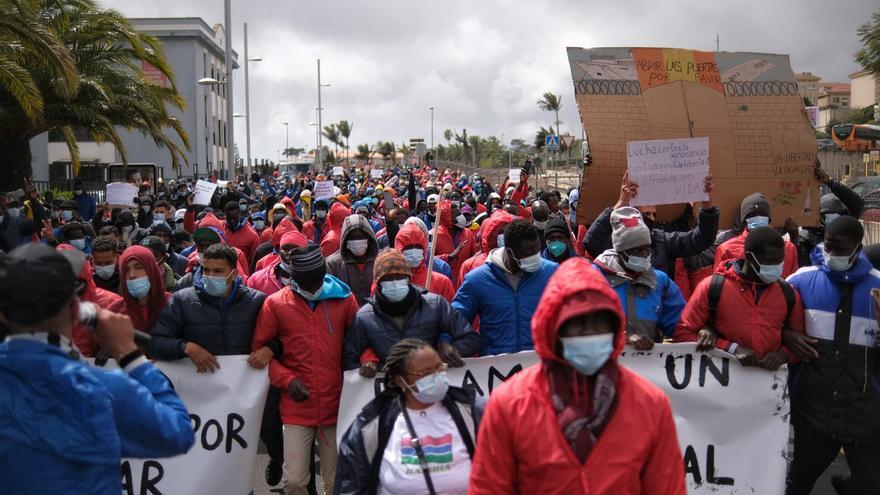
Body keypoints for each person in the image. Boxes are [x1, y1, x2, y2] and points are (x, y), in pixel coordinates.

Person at [468, 258, 685, 494]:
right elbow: (489, 487)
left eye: (600, 322)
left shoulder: (649, 404)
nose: (590, 333)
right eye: (577, 323)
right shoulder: (510, 405)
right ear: (553, 328)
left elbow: (666, 487)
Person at [0, 243, 194, 494]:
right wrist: (130, 355)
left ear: (3, 314)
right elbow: (178, 433)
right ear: (75, 309)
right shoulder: (106, 389)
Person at [252, 243, 359, 495]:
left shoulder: (344, 300)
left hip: (336, 405)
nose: (312, 288)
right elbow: (260, 355)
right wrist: (287, 380)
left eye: (316, 281)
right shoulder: (275, 305)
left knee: (336, 482)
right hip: (296, 408)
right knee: (295, 482)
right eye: (306, 282)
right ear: (295, 278)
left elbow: (358, 342)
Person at [785, 217, 880, 495]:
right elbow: (770, 320)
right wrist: (786, 336)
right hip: (814, 409)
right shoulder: (800, 281)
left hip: (864, 411)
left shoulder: (878, 288)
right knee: (797, 483)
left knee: (871, 485)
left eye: (840, 249)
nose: (832, 255)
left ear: (858, 248)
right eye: (828, 247)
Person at [335, 339, 485, 495]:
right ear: (401, 381)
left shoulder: (472, 411)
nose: (437, 376)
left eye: (439, 368)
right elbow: (350, 486)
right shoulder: (371, 426)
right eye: (426, 373)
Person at [674, 227, 806, 369]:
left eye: (780, 261)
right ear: (749, 257)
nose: (777, 267)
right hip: (721, 383)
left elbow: (800, 343)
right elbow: (682, 335)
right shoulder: (712, 287)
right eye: (771, 261)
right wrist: (729, 348)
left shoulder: (788, 293)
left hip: (770, 386)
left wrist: (783, 355)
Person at [343, 249, 480, 374]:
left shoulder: (435, 305)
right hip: (390, 393)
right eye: (389, 279)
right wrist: (371, 366)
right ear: (378, 283)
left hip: (431, 388)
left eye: (400, 277)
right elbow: (349, 359)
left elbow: (471, 339)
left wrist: (444, 352)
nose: (395, 283)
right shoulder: (364, 318)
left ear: (408, 278)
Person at [150, 243, 269, 370]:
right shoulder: (182, 301)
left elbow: (282, 338)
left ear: (234, 274)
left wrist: (270, 349)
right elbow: (156, 343)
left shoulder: (256, 301)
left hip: (244, 385)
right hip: (199, 384)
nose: (211, 276)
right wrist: (185, 348)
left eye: (218, 271)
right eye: (206, 270)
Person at [453, 219, 557, 355]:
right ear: (510, 252)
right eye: (528, 254)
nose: (534, 258)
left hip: (541, 365)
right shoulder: (477, 280)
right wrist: (446, 342)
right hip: (497, 369)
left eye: (536, 251)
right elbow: (455, 320)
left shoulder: (552, 273)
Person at [585, 172, 718, 277]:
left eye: (654, 214)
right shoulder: (616, 242)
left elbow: (702, 239)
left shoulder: (662, 241)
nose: (651, 219)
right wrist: (620, 204)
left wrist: (707, 205)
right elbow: (591, 242)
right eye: (647, 214)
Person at [592, 208, 685, 350]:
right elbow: (581, 327)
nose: (644, 255)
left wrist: (701, 333)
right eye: (636, 250)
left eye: (647, 249)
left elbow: (680, 327)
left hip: (647, 367)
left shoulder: (660, 282)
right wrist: (622, 339)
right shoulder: (595, 278)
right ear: (620, 252)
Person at [795, 162, 864, 267]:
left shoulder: (846, 228)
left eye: (834, 215)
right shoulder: (809, 233)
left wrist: (829, 182)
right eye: (825, 215)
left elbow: (857, 204)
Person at [714, 192, 798, 277]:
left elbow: (794, 282)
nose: (758, 217)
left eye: (762, 214)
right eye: (752, 215)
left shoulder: (788, 249)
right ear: (744, 220)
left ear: (768, 219)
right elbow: (718, 282)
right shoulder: (726, 249)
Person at [395, 222, 456, 302]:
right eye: (409, 247)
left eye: (418, 247)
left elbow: (450, 312)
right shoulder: (389, 284)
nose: (414, 251)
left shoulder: (442, 282)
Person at [326, 214, 379, 306]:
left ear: (369, 238)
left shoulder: (380, 261)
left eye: (361, 237)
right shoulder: (332, 264)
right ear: (345, 240)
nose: (357, 241)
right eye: (352, 238)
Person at [118, 245, 170, 334]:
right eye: (126, 270)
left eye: (139, 267)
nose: (132, 275)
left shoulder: (173, 305)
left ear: (151, 270)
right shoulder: (117, 312)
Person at [434, 200, 477, 287]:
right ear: (448, 219)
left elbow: (474, 256)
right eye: (457, 215)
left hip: (465, 282)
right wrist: (448, 257)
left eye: (460, 213)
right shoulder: (433, 235)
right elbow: (428, 260)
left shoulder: (468, 233)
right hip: (445, 283)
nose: (461, 217)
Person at [223, 200, 262, 264]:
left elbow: (254, 262)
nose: (232, 221)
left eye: (234, 218)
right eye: (229, 218)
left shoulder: (252, 236)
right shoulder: (220, 229)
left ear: (240, 214)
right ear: (225, 216)